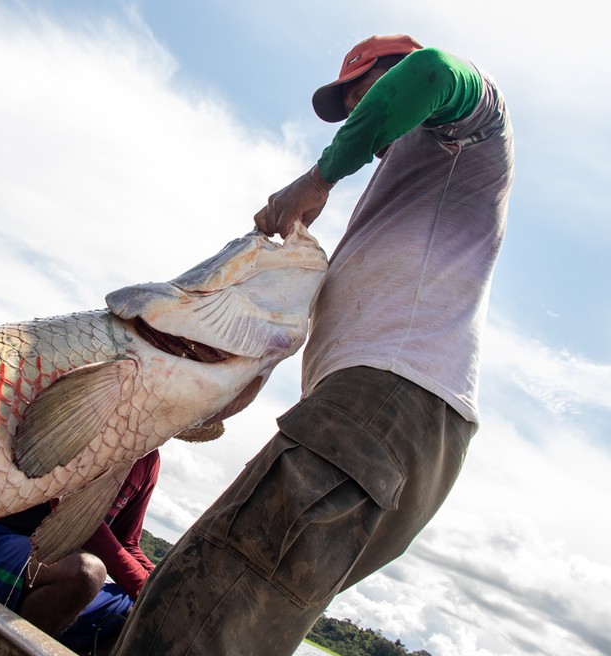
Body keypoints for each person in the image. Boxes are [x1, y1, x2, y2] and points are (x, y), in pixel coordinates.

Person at [113, 34, 514, 655]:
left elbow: (431, 72)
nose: (360, 117)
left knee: (193, 607)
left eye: (365, 94)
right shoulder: (410, 188)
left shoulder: (469, 126)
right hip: (390, 422)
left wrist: (317, 177)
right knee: (247, 621)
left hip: (383, 404)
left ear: (393, 74)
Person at [0, 450, 159, 655]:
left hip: (51, 570)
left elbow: (127, 541)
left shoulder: (149, 460)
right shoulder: (101, 428)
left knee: (140, 618)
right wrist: (146, 589)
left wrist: (161, 586)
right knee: (87, 571)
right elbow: (75, 515)